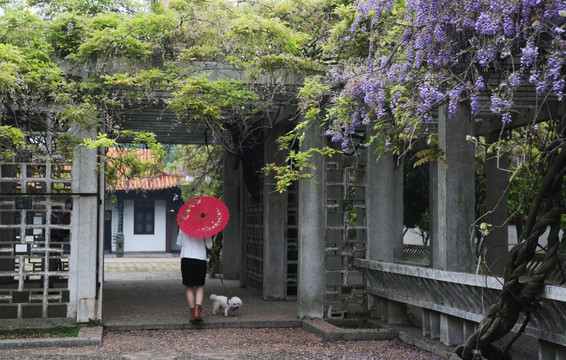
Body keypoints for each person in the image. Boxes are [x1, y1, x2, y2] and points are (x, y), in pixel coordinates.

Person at [177, 230, 213, 324]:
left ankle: (193, 314)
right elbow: (209, 245)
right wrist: (208, 234)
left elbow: (179, 243)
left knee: (189, 287)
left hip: (186, 259)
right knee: (199, 286)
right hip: (200, 259)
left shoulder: (184, 225)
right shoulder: (205, 227)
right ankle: (197, 313)